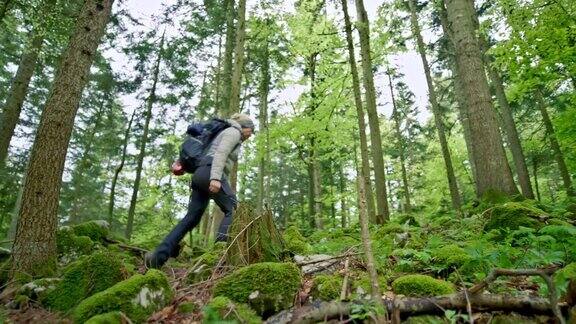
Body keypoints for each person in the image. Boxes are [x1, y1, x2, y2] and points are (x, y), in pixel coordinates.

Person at [145, 113, 255, 268]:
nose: (251, 135)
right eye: (251, 130)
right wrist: (216, 178)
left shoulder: (222, 131)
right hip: (211, 172)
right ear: (245, 126)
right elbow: (221, 153)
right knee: (234, 209)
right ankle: (219, 254)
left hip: (200, 174)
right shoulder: (234, 132)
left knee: (191, 218)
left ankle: (157, 257)